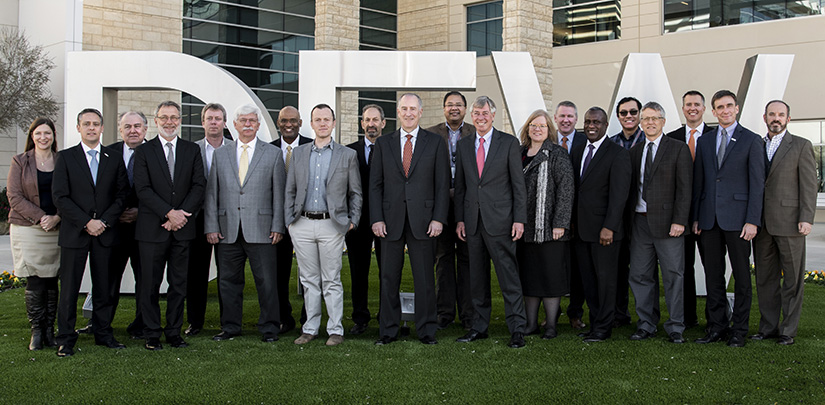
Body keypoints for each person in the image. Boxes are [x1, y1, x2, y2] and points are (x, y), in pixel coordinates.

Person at [370, 93, 449, 346]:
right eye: (404, 108)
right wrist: (377, 219)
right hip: (390, 221)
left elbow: (442, 184)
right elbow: (375, 186)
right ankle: (388, 331)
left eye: (413, 108)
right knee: (388, 278)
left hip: (424, 221)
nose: (408, 113)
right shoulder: (384, 144)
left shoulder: (435, 143)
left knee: (424, 278)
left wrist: (438, 218)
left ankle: (427, 330)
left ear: (421, 112)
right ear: (398, 111)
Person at [52, 108, 130, 357]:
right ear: (78, 128)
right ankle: (66, 337)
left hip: (105, 234)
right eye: (86, 124)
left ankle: (103, 333)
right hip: (75, 233)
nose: (91, 128)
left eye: (96, 124)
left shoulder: (113, 157)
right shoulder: (65, 158)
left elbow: (121, 195)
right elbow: (60, 197)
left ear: (102, 128)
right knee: (70, 288)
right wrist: (86, 222)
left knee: (105, 287)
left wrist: (103, 222)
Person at [205, 104, 285, 343]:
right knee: (228, 282)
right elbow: (212, 194)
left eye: (252, 121)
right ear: (235, 124)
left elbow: (278, 194)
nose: (248, 124)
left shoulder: (272, 154)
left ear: (258, 125)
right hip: (227, 230)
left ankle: (270, 327)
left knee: (267, 282)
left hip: (262, 230)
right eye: (243, 120)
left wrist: (278, 226)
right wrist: (211, 226)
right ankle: (230, 327)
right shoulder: (221, 154)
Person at [454, 96, 528, 348]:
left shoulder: (508, 143)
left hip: (502, 223)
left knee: (508, 278)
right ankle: (479, 326)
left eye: (485, 112)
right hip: (473, 223)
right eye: (476, 113)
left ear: (493, 115)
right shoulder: (464, 145)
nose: (480, 117)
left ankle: (517, 328)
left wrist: (519, 219)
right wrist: (460, 220)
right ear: (471, 116)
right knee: (477, 279)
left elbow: (519, 186)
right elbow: (462, 187)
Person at [692, 90, 765, 347]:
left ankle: (739, 330)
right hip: (709, 220)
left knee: (743, 278)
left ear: (736, 108)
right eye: (719, 107)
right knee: (713, 276)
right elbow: (699, 182)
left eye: (728, 106)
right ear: (713, 111)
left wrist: (753, 220)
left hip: (739, 221)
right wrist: (696, 217)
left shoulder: (752, 140)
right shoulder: (705, 141)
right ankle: (716, 327)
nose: (724, 111)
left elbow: (757, 185)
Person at [286, 104, 361, 346]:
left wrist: (352, 221)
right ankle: (310, 328)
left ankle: (335, 329)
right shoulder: (299, 153)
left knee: (331, 279)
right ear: (311, 123)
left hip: (332, 224)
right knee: (308, 279)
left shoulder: (346, 155)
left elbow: (355, 193)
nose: (322, 123)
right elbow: (290, 189)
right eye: (317, 119)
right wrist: (290, 222)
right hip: (303, 223)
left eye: (326, 119)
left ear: (333, 123)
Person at [133, 100, 206, 351]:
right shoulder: (143, 152)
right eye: (164, 117)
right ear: (155, 121)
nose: (169, 122)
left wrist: (181, 214)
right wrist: (168, 213)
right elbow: (142, 189)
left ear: (180, 120)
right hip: (152, 230)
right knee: (150, 285)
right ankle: (152, 333)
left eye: (174, 117)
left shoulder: (191, 150)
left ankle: (174, 331)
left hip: (183, 230)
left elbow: (199, 185)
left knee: (178, 284)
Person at [751, 100, 816, 346]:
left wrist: (806, 217)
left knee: (792, 279)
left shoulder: (801, 145)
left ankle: (788, 330)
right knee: (765, 279)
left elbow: (809, 185)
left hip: (791, 223)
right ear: (765, 117)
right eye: (771, 114)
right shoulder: (757, 144)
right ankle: (768, 327)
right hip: (762, 224)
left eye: (780, 114)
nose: (775, 118)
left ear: (788, 118)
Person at [627, 102, 693, 344]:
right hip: (640, 223)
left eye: (655, 118)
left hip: (668, 225)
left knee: (674, 275)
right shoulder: (635, 151)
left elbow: (685, 190)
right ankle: (646, 324)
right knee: (640, 275)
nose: (650, 122)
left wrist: (680, 221)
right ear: (640, 123)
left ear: (663, 122)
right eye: (645, 118)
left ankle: (676, 326)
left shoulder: (678, 149)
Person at [571, 107, 631, 342]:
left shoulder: (617, 154)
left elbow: (620, 196)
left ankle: (604, 327)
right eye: (587, 122)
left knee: (606, 281)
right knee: (589, 280)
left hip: (605, 231)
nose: (591, 126)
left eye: (596, 122)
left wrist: (610, 227)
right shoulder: (577, 151)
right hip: (582, 230)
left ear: (606, 125)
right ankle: (595, 322)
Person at [516, 109, 574, 339]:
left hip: (551, 229)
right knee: (529, 277)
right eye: (533, 125)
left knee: (550, 278)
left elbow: (566, 190)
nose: (537, 129)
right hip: (524, 227)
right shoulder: (519, 153)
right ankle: (530, 324)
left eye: (541, 125)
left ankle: (550, 325)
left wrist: (560, 223)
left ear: (549, 129)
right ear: (527, 128)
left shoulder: (557, 154)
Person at [8, 118, 62, 350]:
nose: (43, 137)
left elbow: (74, 192)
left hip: (57, 227)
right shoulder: (20, 161)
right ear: (32, 136)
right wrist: (42, 217)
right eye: (38, 133)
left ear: (53, 136)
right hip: (28, 227)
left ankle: (50, 330)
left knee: (52, 278)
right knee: (35, 278)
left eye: (47, 133)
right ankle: (37, 331)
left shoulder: (63, 160)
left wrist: (57, 217)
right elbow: (14, 196)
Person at [425, 91, 475, 330]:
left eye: (458, 104)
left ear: (465, 109)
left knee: (467, 259)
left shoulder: (475, 132)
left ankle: (468, 314)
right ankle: (444, 313)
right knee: (442, 258)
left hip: (468, 204)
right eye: (449, 105)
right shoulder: (431, 134)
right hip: (441, 204)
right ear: (443, 109)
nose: (454, 108)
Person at [666, 90, 715, 328]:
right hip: (679, 217)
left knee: (712, 269)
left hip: (708, 215)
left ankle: (715, 320)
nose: (692, 108)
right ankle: (687, 318)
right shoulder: (672, 138)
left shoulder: (716, 136)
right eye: (688, 104)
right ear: (683, 108)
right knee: (682, 268)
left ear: (704, 108)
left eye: (697, 104)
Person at [186, 103, 228, 337]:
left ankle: (228, 320)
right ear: (202, 122)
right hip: (197, 220)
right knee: (196, 274)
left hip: (228, 219)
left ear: (224, 123)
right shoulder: (191, 150)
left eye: (218, 118)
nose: (214, 122)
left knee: (228, 273)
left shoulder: (235, 148)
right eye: (209, 118)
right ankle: (195, 322)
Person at [270, 105, 313, 333]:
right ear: (278, 123)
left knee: (309, 272)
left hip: (306, 220)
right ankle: (283, 318)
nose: (289, 125)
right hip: (278, 222)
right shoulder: (268, 149)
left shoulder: (312, 147)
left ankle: (309, 318)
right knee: (279, 272)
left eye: (293, 121)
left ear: (300, 122)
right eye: (284, 120)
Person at [107, 111, 148, 340]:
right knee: (108, 278)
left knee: (145, 280)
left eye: (137, 125)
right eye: (128, 126)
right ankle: (100, 323)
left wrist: (140, 212)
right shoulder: (108, 153)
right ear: (120, 129)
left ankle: (141, 325)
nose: (133, 130)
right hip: (114, 228)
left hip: (145, 229)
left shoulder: (156, 152)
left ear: (145, 128)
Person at [345, 104, 385, 335]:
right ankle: (360, 318)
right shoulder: (349, 151)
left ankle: (385, 315)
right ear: (362, 123)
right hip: (357, 222)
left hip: (385, 221)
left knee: (386, 271)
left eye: (375, 120)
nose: (371, 124)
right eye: (367, 120)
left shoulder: (391, 149)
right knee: (358, 271)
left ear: (383, 123)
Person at [609, 96, 644, 328]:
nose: (628, 116)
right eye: (624, 113)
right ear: (618, 116)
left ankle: (647, 317)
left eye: (633, 112)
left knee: (643, 270)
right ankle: (619, 314)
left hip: (643, 215)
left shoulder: (652, 141)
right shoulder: (611, 144)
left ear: (640, 114)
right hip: (618, 217)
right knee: (617, 268)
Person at [554, 101, 587, 331]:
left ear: (576, 119)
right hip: (550, 217)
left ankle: (575, 313)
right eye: (562, 116)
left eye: (570, 116)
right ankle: (551, 313)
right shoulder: (545, 140)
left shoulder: (587, 142)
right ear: (555, 118)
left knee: (578, 268)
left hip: (580, 217)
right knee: (554, 266)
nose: (566, 120)